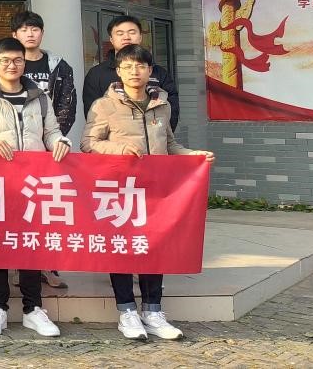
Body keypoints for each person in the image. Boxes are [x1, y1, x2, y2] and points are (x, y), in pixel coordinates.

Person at [82, 44, 214, 342]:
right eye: (128, 66)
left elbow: (170, 145)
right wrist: (119, 148)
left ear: (150, 71)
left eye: (140, 66)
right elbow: (88, 143)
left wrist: (193, 156)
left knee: (154, 247)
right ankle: (127, 311)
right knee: (122, 249)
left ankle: (153, 311)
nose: (135, 71)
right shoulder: (104, 105)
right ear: (118, 71)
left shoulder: (161, 104)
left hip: (155, 191)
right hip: (120, 189)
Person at [0, 37, 69, 339]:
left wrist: (59, 142)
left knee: (31, 245)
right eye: (5, 60)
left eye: (17, 60)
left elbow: (51, 131)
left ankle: (33, 309)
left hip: (33, 183)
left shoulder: (39, 96)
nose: (12, 65)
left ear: (24, 62)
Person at [10, 10, 78, 290]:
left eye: (35, 29)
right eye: (24, 29)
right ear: (15, 34)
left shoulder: (59, 66)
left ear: (42, 33)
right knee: (18, 210)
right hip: (15, 153)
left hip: (48, 152)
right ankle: (20, 267)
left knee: (47, 210)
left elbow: (67, 106)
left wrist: (53, 141)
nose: (30, 34)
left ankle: (49, 267)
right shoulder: (9, 63)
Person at [83, 15, 180, 130]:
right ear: (111, 39)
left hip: (154, 137)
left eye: (132, 32)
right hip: (115, 140)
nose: (126, 37)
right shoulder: (97, 74)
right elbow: (93, 114)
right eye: (120, 33)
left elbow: (171, 109)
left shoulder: (158, 72)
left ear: (140, 37)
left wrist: (159, 135)